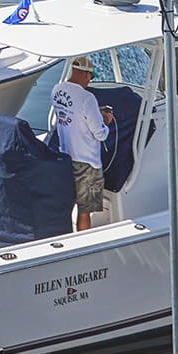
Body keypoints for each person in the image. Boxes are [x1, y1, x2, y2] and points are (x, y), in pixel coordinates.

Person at [51, 55, 114, 230]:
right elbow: (100, 134)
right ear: (84, 73)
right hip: (88, 164)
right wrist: (106, 122)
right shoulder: (88, 98)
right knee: (85, 211)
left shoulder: (57, 90)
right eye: (90, 76)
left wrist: (96, 112)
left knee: (67, 206)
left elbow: (72, 112)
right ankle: (83, 241)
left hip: (66, 158)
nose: (89, 80)